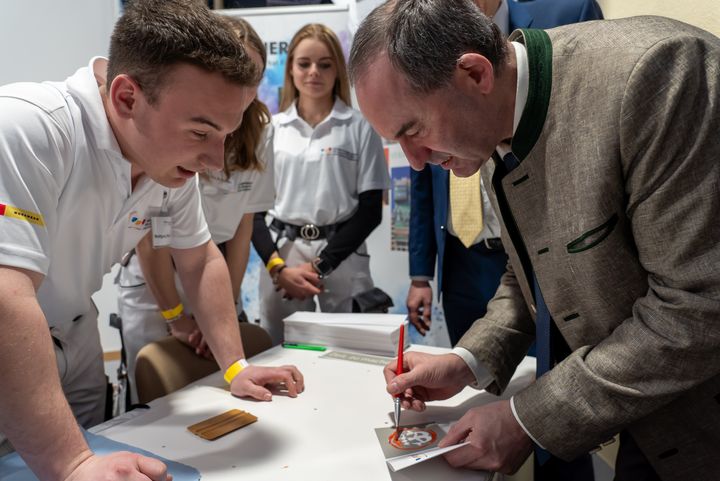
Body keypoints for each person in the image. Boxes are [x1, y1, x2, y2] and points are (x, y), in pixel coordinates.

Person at [349, 1, 720, 480]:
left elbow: (698, 304)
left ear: (474, 74)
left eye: (413, 130)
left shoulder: (659, 76)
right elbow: (531, 265)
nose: (416, 162)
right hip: (650, 419)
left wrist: (527, 418)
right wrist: (468, 360)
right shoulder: (488, 122)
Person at [0, 1, 304, 479]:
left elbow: (200, 259)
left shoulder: (165, 161)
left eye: (225, 133)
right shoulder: (29, 129)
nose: (215, 160)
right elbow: (6, 298)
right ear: (127, 98)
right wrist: (72, 463)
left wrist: (235, 368)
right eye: (201, 130)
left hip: (75, 337)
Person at [407, 0, 603, 347]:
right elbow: (422, 182)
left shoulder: (566, 15)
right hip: (461, 256)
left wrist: (522, 406)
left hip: (554, 252)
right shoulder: (423, 44)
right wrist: (421, 273)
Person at [116, 15, 277, 405]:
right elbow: (153, 237)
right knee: (156, 401)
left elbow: (238, 230)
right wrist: (175, 316)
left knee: (218, 397)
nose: (238, 87)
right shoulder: (166, 135)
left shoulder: (257, 132)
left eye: (250, 75)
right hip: (157, 271)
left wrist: (226, 307)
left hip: (209, 264)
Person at [252, 23, 390, 345]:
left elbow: (371, 211)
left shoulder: (360, 127)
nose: (314, 72)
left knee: (350, 350)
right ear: (291, 69)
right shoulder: (271, 130)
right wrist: (278, 268)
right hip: (283, 258)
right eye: (304, 63)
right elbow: (254, 212)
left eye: (325, 64)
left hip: (343, 255)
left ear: (337, 70)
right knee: (278, 350)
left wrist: (321, 264)